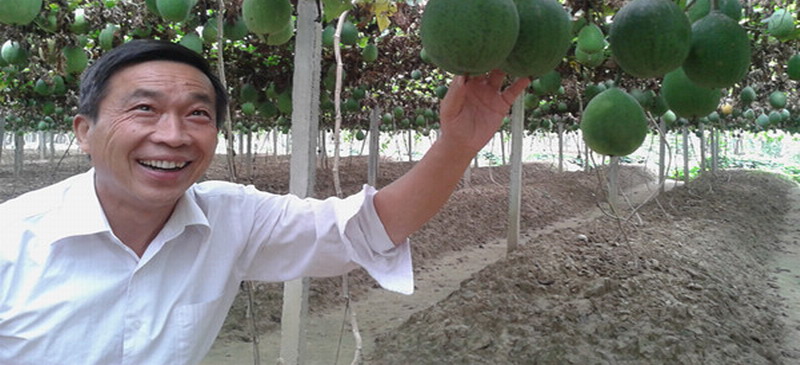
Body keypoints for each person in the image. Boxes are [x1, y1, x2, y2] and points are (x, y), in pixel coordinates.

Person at [0, 39, 528, 365]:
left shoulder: (231, 218)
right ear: (84, 132)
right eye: (144, 109)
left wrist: (457, 143)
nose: (173, 135)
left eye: (198, 114)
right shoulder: (11, 241)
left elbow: (369, 228)